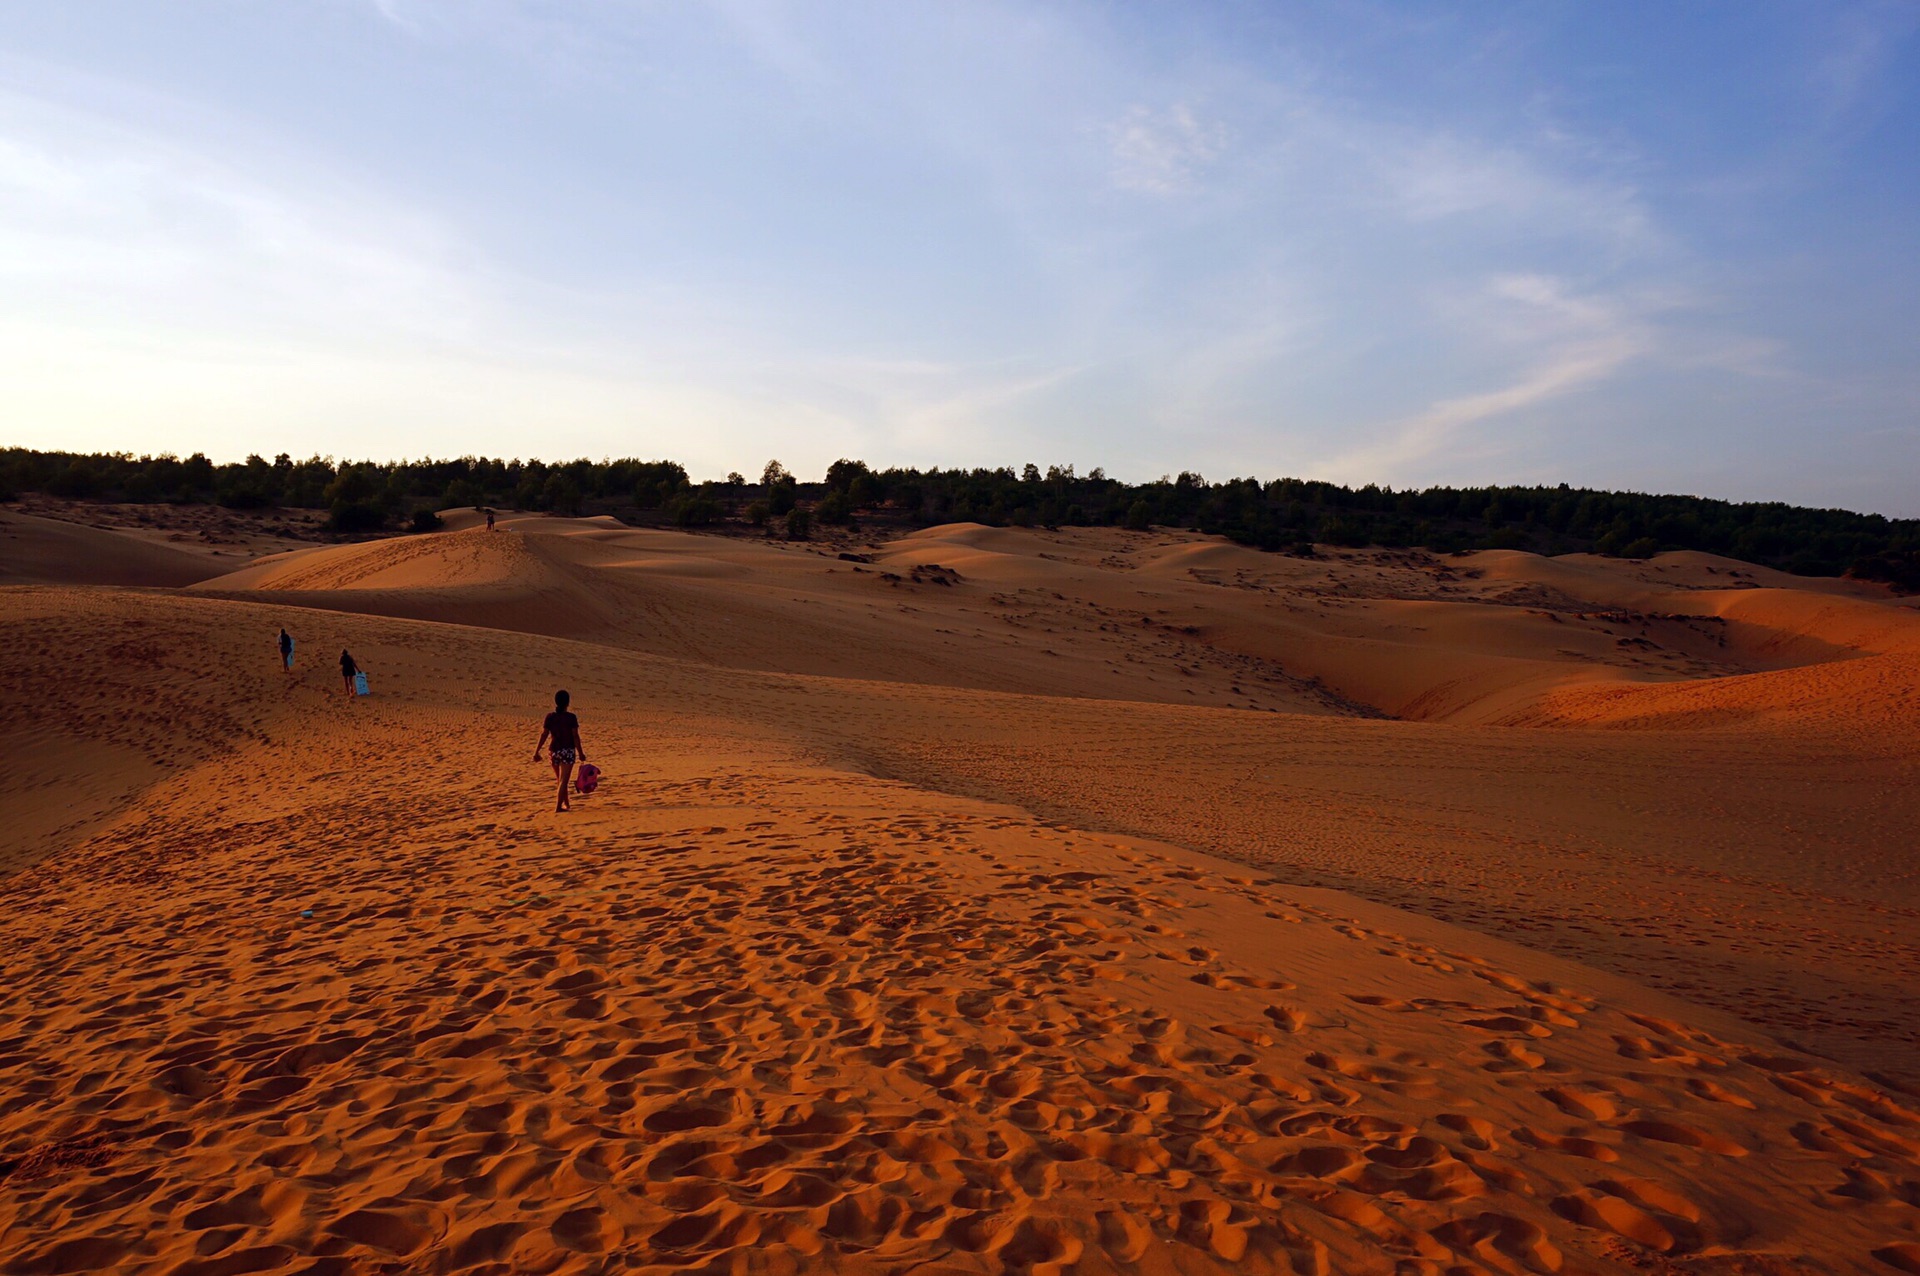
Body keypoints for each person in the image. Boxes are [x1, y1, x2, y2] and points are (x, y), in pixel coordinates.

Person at [532, 690, 586, 813]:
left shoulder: (550, 717)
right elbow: (575, 736)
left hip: (554, 751)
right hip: (567, 751)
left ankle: (566, 804)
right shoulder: (571, 717)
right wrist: (581, 753)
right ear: (568, 702)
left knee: (560, 780)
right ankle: (558, 807)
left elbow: (544, 735)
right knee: (563, 781)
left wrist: (537, 751)